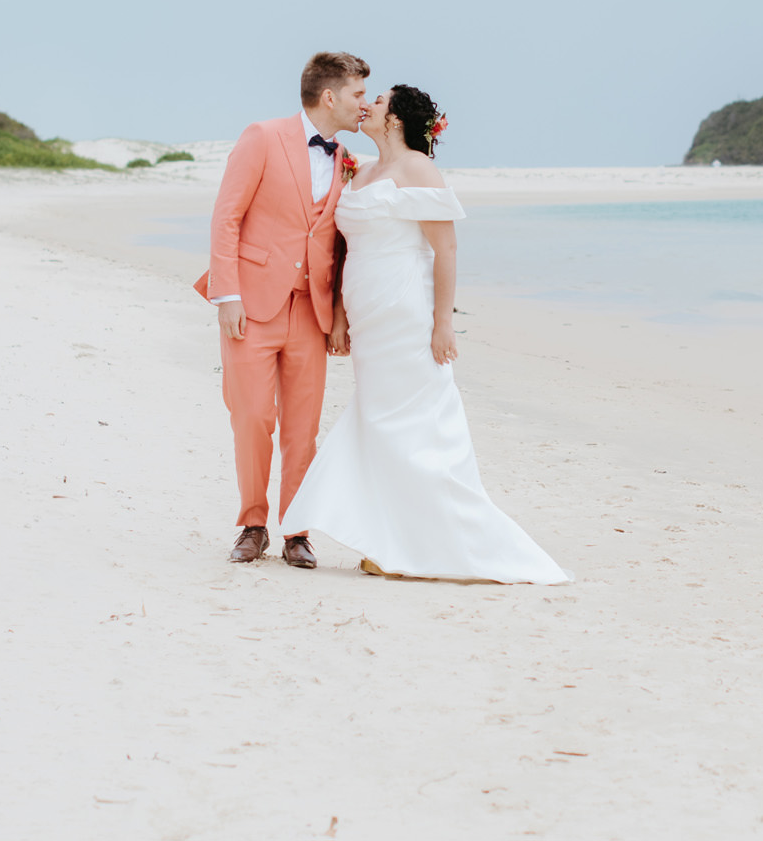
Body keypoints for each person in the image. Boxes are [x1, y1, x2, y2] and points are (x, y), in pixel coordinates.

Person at [283, 85, 567, 584]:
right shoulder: (361, 171)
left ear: (395, 119)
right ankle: (390, 541)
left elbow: (446, 249)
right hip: (368, 318)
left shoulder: (418, 169)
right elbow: (347, 250)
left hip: (406, 315)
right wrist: (341, 316)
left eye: (378, 101)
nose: (367, 105)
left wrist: (442, 323)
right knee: (379, 426)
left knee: (414, 427)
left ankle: (431, 542)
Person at [195, 52, 369, 568]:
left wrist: (338, 316)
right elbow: (227, 217)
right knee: (251, 417)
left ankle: (297, 531)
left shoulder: (347, 158)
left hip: (311, 312)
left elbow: (339, 243)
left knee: (302, 427)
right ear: (330, 96)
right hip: (251, 305)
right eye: (358, 94)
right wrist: (227, 295)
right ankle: (253, 525)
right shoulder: (263, 137)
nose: (364, 104)